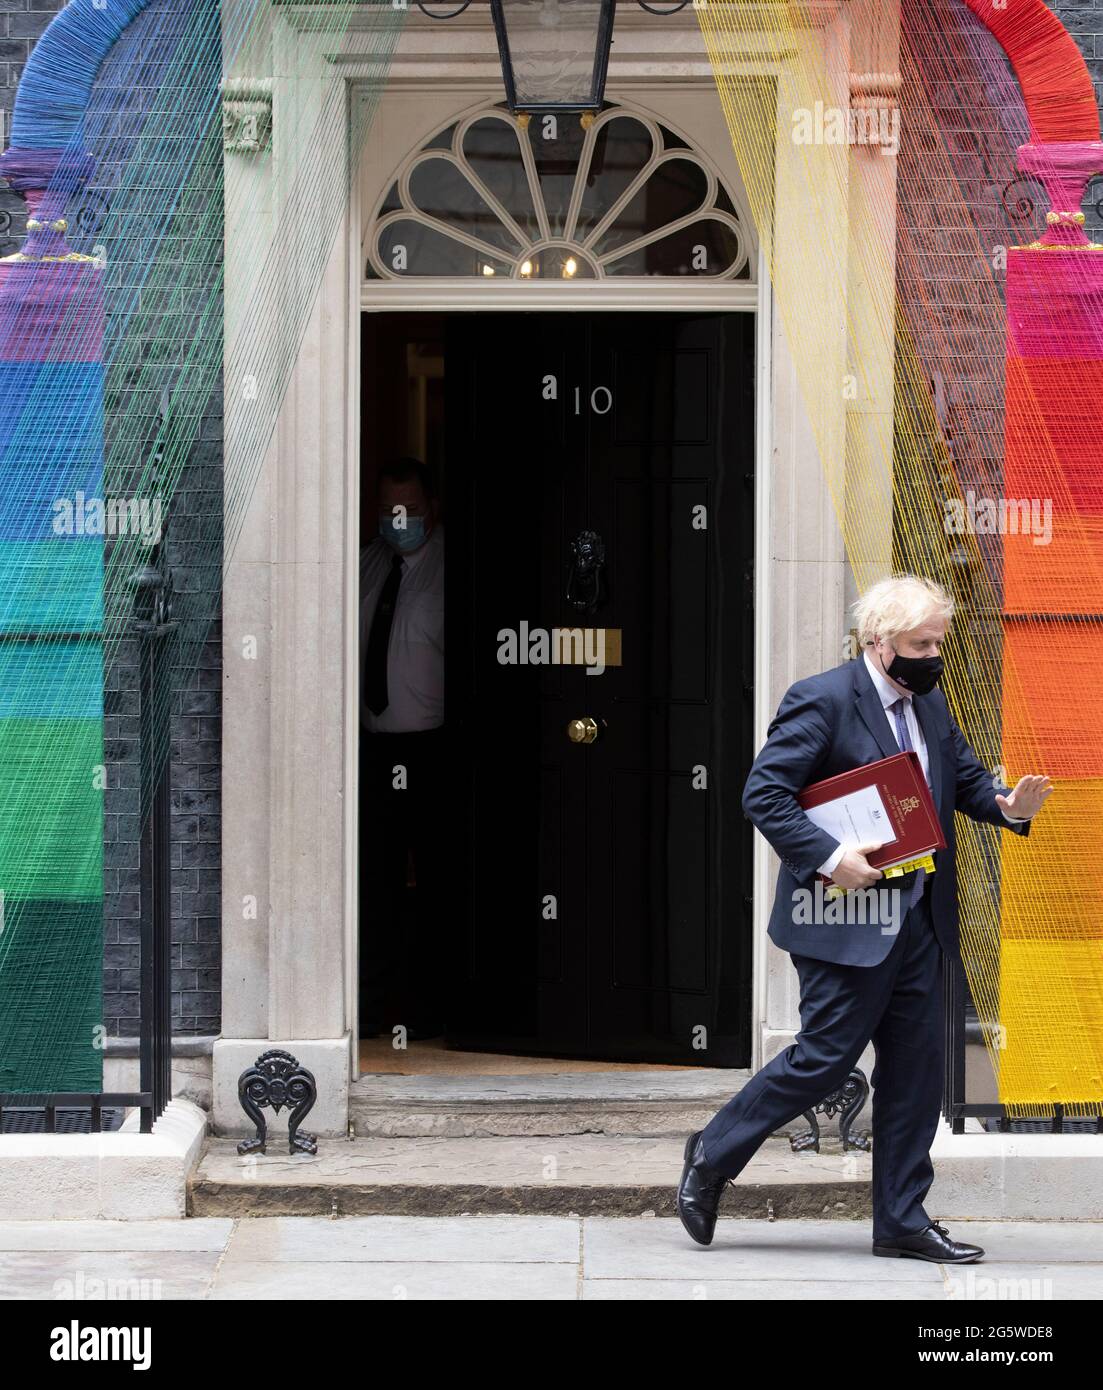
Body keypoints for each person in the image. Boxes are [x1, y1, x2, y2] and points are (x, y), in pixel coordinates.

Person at [676, 574, 1052, 1259]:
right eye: (920, 643)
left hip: (917, 919)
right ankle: (711, 1155)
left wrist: (1007, 808)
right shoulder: (822, 700)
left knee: (915, 1073)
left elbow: (963, 782)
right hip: (844, 915)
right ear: (878, 643)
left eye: (938, 641)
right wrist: (829, 857)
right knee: (822, 1060)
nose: (933, 655)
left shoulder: (929, 707)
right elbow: (764, 794)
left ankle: (901, 1221)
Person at [359, 456, 447, 1041]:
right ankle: (376, 1003)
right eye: (390, 509)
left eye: (410, 509)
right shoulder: (368, 563)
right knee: (376, 881)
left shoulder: (450, 568)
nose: (399, 519)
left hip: (435, 751)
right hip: (370, 751)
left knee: (438, 881)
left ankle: (438, 1008)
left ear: (431, 509)